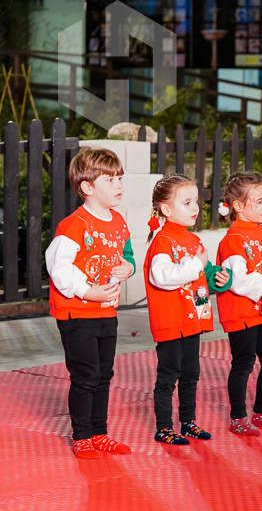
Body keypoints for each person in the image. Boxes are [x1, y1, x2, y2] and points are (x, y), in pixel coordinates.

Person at [45, 148, 135, 459]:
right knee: (85, 375)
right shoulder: (75, 225)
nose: (119, 185)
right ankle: (82, 435)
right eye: (110, 179)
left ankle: (100, 432)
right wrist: (87, 291)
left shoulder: (119, 221)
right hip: (77, 312)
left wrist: (129, 269)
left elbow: (128, 256)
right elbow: (58, 267)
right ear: (87, 187)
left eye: (120, 178)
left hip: (106, 311)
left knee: (104, 374)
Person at [144, 175, 232, 445]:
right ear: (167, 209)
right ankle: (164, 426)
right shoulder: (162, 241)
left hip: (192, 320)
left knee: (191, 373)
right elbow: (162, 276)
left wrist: (218, 279)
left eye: (196, 201)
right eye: (187, 202)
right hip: (172, 321)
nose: (195, 207)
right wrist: (197, 265)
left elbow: (200, 277)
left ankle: (188, 421)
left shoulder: (193, 240)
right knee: (168, 374)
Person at [216, 172, 262, 435]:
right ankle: (238, 417)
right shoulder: (234, 239)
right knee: (243, 363)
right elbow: (237, 279)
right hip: (242, 313)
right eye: (258, 201)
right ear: (238, 206)